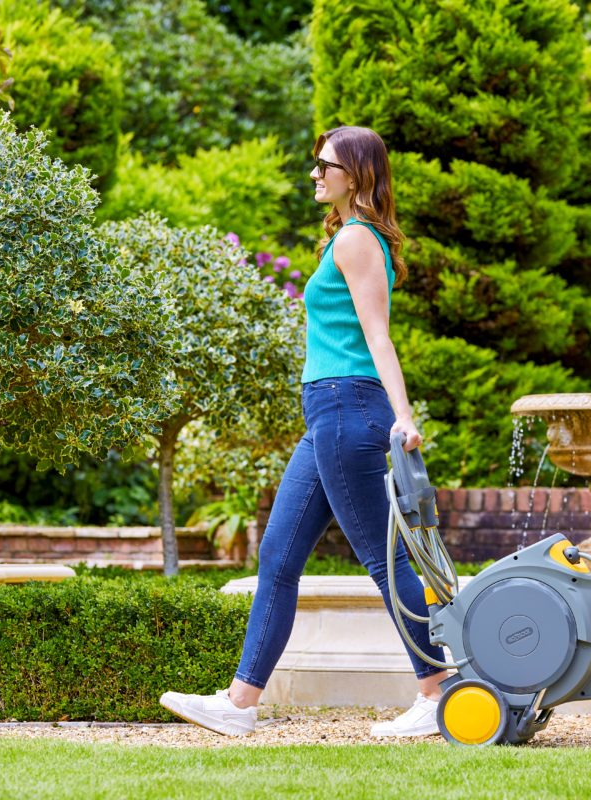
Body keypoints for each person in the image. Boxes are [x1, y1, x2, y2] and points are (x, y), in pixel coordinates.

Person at [160, 126, 447, 737]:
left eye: (326, 166)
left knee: (384, 560)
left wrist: (404, 414)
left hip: (349, 407)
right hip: (328, 414)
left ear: (357, 175)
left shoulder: (357, 241)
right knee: (278, 556)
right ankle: (240, 705)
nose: (316, 175)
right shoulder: (344, 240)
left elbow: (378, 336)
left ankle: (437, 691)